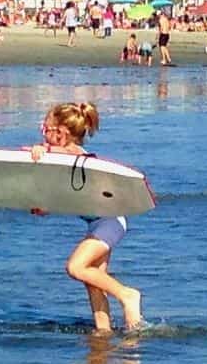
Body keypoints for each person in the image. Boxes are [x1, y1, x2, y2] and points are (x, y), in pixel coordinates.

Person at [29, 103, 143, 333]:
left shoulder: (74, 154)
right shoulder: (64, 160)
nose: (43, 134)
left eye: (46, 129)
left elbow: (67, 153)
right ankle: (104, 332)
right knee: (94, 282)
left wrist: (41, 151)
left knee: (75, 267)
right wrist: (44, 207)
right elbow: (67, 194)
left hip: (110, 221)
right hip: (99, 221)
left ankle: (127, 295)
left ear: (60, 132)